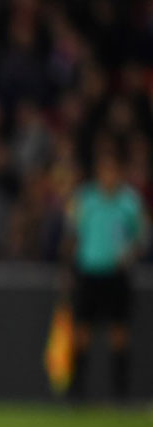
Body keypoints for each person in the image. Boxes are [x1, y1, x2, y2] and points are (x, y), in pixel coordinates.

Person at [64, 147, 147, 400]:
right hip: (89, 273)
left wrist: (130, 254)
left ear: (119, 173)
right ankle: (77, 393)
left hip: (116, 275)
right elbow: (72, 236)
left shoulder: (130, 202)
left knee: (119, 334)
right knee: (82, 334)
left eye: (112, 170)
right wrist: (69, 269)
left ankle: (119, 394)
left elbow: (141, 236)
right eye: (104, 170)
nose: (108, 175)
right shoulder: (85, 199)